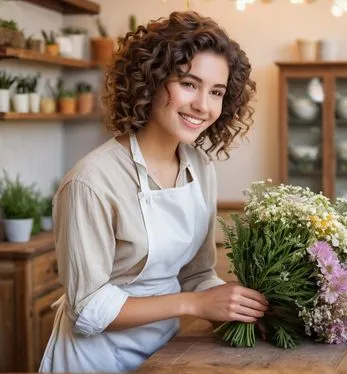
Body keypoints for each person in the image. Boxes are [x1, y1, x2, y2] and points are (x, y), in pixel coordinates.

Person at [39, 10, 268, 372]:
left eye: (217, 92)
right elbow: (87, 307)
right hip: (95, 358)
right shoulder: (91, 181)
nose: (203, 106)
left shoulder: (200, 168)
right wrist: (194, 305)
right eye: (189, 84)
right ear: (151, 80)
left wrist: (238, 307)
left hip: (165, 353)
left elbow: (197, 275)